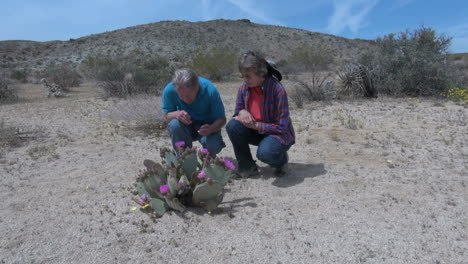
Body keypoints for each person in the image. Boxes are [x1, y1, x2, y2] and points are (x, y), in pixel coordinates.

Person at [226, 51, 295, 177]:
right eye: (243, 76)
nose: (245, 80)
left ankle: (281, 161)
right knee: (232, 126)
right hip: (257, 132)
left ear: (261, 74)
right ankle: (247, 167)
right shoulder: (244, 88)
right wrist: (242, 112)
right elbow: (237, 111)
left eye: (248, 76)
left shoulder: (277, 90)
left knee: (265, 154)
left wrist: (256, 126)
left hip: (277, 135)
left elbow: (282, 127)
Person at [162, 69, 226, 156]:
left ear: (197, 87)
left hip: (207, 127)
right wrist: (176, 114)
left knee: (213, 145)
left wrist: (211, 129)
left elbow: (222, 119)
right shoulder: (170, 90)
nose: (185, 99)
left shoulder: (209, 90)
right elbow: (167, 114)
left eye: (188, 95)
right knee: (174, 125)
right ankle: (183, 158)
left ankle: (207, 159)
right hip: (185, 127)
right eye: (181, 96)